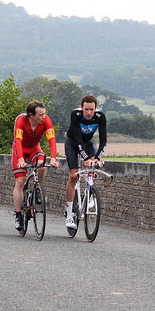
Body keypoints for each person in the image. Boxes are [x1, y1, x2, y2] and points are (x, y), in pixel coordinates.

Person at [12, 100, 59, 231]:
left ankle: (37, 186)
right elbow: (17, 140)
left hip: (34, 148)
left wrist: (53, 158)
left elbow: (52, 139)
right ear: (31, 115)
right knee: (20, 182)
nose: (43, 117)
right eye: (40, 115)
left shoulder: (46, 121)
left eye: (44, 114)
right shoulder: (21, 120)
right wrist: (21, 159)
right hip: (20, 150)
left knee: (42, 166)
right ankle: (18, 215)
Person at [65, 95, 107, 229]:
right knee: (73, 176)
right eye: (86, 109)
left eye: (92, 110)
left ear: (95, 109)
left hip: (88, 142)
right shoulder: (76, 115)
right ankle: (69, 214)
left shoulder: (100, 117)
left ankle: (90, 196)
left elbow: (103, 140)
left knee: (94, 168)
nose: (89, 113)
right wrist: (86, 158)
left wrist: (97, 159)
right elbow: (77, 140)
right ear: (82, 108)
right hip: (73, 143)